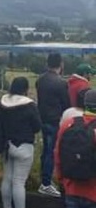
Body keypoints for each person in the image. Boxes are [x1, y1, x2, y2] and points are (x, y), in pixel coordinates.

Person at [0, 76, 42, 208]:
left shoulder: (2, 102)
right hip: (24, 147)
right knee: (19, 182)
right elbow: (37, 126)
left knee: (7, 179)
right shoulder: (29, 105)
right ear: (25, 89)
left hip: (6, 146)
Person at [36, 52, 71, 197]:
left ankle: (44, 179)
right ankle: (46, 183)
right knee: (51, 152)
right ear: (61, 64)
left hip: (42, 119)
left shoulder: (40, 80)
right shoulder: (61, 83)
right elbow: (66, 104)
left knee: (46, 151)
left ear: (47, 63)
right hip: (55, 121)